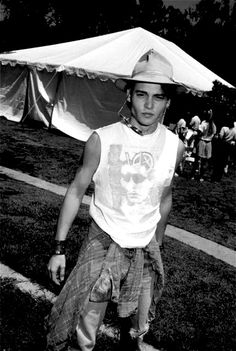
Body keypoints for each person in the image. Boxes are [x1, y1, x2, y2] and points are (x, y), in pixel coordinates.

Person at [46, 49, 185, 351]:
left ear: (168, 101)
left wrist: (157, 244)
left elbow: (164, 197)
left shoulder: (176, 146)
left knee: (139, 327)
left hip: (145, 246)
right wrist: (59, 248)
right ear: (129, 95)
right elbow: (76, 190)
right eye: (141, 94)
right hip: (103, 240)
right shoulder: (102, 138)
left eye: (158, 97)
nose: (149, 105)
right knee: (86, 322)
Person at [192, 109, 216, 181]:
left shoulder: (204, 123)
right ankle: (201, 176)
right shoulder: (213, 125)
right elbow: (214, 134)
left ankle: (193, 175)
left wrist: (194, 133)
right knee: (204, 161)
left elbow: (199, 131)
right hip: (209, 143)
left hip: (202, 141)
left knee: (197, 159)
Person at [211, 116, 236, 181]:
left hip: (221, 146)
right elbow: (234, 139)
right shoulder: (234, 130)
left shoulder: (224, 128)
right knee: (223, 162)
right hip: (228, 146)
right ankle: (219, 177)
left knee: (217, 162)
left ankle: (214, 177)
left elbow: (220, 137)